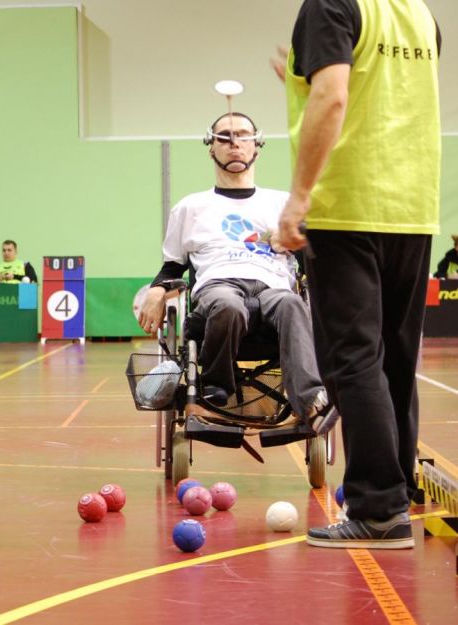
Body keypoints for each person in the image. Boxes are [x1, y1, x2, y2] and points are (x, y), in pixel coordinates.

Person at [276, 0, 441, 549]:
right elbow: (385, 88)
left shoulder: (330, 5)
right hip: (412, 208)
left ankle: (376, 508)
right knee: (396, 359)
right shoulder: (418, 12)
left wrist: (299, 196)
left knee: (352, 359)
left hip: (347, 204)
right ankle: (398, 488)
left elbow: (333, 95)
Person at [137, 111, 327, 420]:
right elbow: (171, 268)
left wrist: (294, 241)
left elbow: (312, 264)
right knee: (228, 306)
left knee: (293, 304)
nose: (234, 143)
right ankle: (214, 388)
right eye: (224, 137)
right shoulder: (190, 207)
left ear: (257, 146)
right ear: (211, 147)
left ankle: (308, 400)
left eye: (243, 136)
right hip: (218, 288)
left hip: (273, 289)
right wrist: (157, 291)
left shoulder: (284, 204)